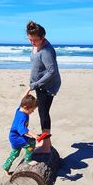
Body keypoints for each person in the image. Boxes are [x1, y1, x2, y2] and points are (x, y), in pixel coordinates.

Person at [25, 21, 61, 154]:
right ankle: (47, 143)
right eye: (30, 40)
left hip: (48, 86)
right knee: (42, 112)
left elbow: (52, 72)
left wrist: (34, 85)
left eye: (35, 40)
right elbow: (37, 66)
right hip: (40, 84)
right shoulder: (36, 46)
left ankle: (46, 146)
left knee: (43, 113)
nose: (32, 43)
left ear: (43, 37)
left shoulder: (46, 51)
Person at [2, 94, 40, 175]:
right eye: (32, 110)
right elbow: (22, 130)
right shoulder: (22, 117)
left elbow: (23, 98)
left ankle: (6, 167)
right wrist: (33, 135)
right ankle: (28, 160)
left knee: (15, 153)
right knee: (31, 143)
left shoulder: (20, 108)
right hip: (16, 137)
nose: (32, 112)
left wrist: (28, 90)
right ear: (26, 107)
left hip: (14, 136)